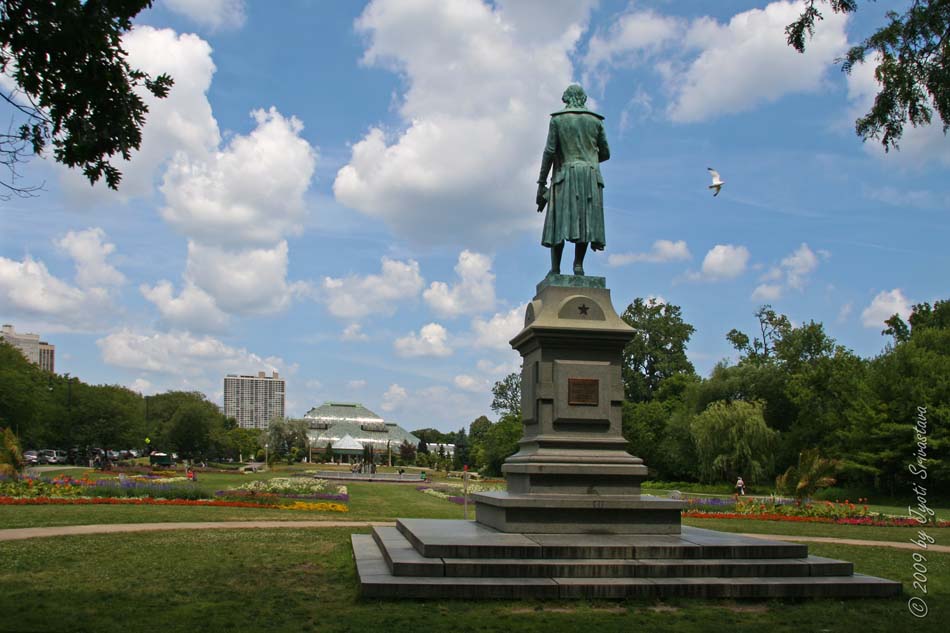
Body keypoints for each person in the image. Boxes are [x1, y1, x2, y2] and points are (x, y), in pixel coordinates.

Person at [536, 84, 610, 276]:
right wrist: (589, 159)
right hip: (590, 176)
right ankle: (578, 265)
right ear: (583, 99)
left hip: (565, 174)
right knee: (585, 221)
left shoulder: (558, 120)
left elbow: (549, 152)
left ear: (566, 99)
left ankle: (555, 268)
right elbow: (606, 153)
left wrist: (541, 183)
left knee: (558, 223)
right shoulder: (596, 121)